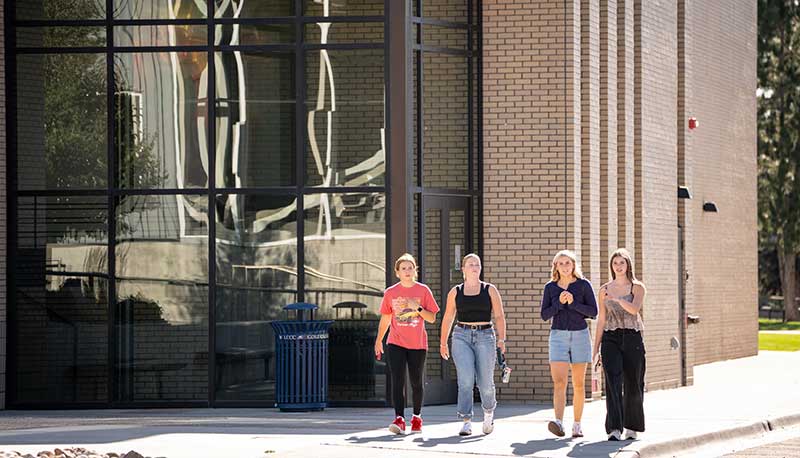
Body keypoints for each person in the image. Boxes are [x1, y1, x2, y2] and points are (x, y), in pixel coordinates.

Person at [440, 253, 507, 436]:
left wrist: (502, 339)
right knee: (465, 379)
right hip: (461, 335)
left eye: (477, 264)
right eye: (470, 264)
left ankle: (488, 413)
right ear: (463, 270)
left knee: (485, 381)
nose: (475, 267)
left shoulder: (489, 289)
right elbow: (448, 317)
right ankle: (466, 421)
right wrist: (443, 342)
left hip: (485, 335)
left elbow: (499, 316)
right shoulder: (456, 292)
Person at [374, 253, 440, 435]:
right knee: (397, 380)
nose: (407, 271)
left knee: (416, 382)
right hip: (396, 342)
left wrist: (416, 307)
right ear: (397, 272)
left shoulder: (423, 290)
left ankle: (417, 417)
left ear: (415, 271)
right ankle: (399, 419)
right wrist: (379, 340)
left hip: (418, 344)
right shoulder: (391, 293)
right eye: (403, 268)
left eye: (410, 268)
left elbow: (432, 318)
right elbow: (386, 319)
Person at [540, 250, 598, 438]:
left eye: (568, 263)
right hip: (557, 336)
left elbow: (593, 312)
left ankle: (577, 424)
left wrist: (573, 303)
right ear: (555, 266)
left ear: (574, 265)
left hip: (580, 335)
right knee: (559, 382)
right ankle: (558, 422)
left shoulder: (583, 285)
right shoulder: (550, 288)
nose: (565, 266)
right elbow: (544, 315)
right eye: (561, 263)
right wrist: (558, 302)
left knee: (579, 383)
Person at [593, 248, 646, 441]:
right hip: (610, 338)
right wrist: (596, 348)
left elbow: (633, 309)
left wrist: (616, 299)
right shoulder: (604, 289)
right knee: (612, 382)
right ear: (611, 266)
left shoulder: (637, 287)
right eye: (615, 263)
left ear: (628, 265)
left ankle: (632, 427)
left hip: (632, 337)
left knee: (633, 382)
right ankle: (614, 428)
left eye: (622, 262)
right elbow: (601, 319)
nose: (618, 266)